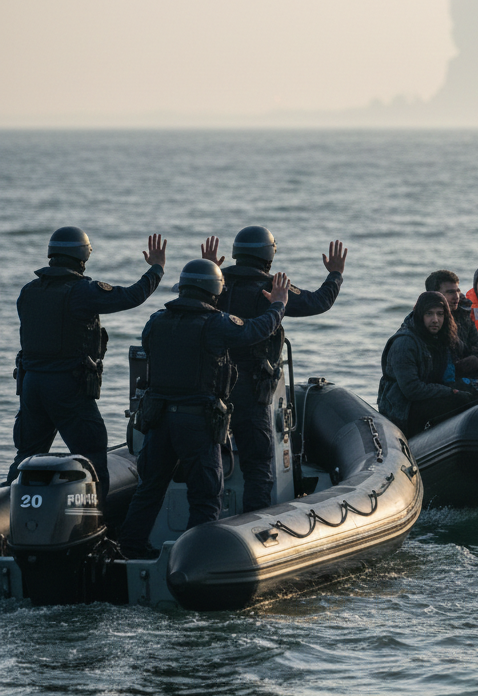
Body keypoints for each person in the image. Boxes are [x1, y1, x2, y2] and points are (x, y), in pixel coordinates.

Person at [117, 262, 289, 559]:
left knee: (149, 489)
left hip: (157, 421)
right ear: (213, 292)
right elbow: (255, 331)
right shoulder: (217, 324)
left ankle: (131, 551)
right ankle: (198, 558)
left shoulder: (156, 321)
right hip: (196, 421)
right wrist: (278, 306)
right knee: (206, 496)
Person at [6, 227, 167, 500]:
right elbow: (130, 296)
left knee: (26, 457)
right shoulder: (81, 291)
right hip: (67, 387)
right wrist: (156, 270)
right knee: (92, 456)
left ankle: (7, 519)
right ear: (83, 255)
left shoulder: (28, 291)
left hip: (31, 386)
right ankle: (98, 529)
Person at [200, 228, 346, 513]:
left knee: (207, 459)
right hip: (251, 391)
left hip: (210, 385)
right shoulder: (272, 288)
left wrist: (210, 270)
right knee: (259, 464)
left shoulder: (217, 284)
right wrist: (335, 274)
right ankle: (253, 527)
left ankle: (207, 522)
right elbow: (319, 301)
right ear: (269, 255)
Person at [378, 292, 478, 439]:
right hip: (403, 409)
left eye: (440, 314)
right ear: (420, 315)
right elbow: (412, 390)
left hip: (427, 397)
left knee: (472, 397)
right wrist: (451, 392)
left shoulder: (442, 337)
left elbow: (468, 349)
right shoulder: (405, 343)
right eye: (429, 314)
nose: (435, 320)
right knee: (458, 401)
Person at [425, 269, 478, 376]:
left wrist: (475, 359)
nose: (456, 296)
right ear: (434, 294)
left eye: (457, 291)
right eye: (450, 292)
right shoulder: (423, 320)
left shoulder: (463, 314)